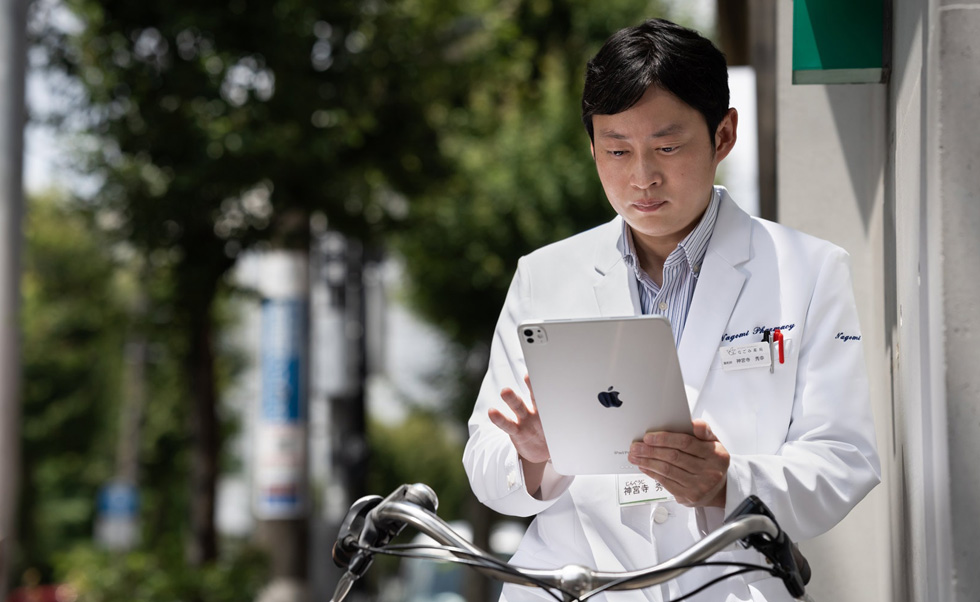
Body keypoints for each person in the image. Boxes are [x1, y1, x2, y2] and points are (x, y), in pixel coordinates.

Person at [462, 17, 881, 602]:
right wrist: (534, 460)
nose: (642, 177)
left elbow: (843, 459)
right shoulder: (544, 276)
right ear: (592, 147)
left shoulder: (808, 271)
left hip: (729, 586)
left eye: (667, 146)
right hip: (579, 588)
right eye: (617, 150)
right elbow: (486, 462)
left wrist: (727, 482)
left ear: (723, 135)